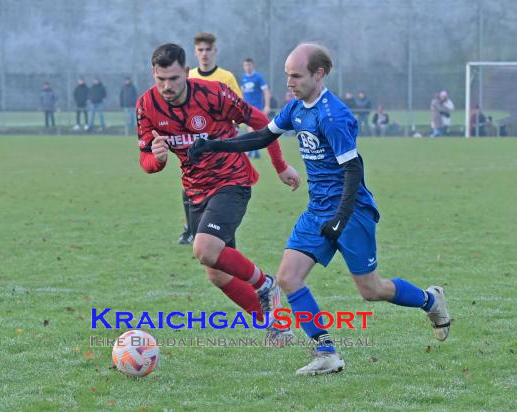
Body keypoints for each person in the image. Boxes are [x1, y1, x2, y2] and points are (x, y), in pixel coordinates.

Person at [189, 42, 451, 375]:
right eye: (286, 75)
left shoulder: (334, 115)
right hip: (317, 210)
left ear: (319, 74)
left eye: (296, 76)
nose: (289, 83)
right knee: (287, 278)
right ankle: (325, 352)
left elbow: (353, 170)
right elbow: (261, 137)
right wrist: (214, 145)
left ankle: (431, 300)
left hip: (351, 211)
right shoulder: (296, 108)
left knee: (371, 290)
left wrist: (341, 218)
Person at [137, 43, 300, 341]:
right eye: (161, 79)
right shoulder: (146, 106)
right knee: (217, 272)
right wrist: (157, 160)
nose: (167, 86)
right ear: (153, 74)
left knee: (204, 248)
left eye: (173, 78)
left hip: (231, 180)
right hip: (195, 190)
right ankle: (276, 324)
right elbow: (146, 161)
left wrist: (280, 166)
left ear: (186, 73)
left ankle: (266, 286)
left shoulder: (213, 94)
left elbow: (262, 123)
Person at [175, 32, 244, 245]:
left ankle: (222, 234)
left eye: (208, 49)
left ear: (215, 51)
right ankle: (191, 228)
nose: (204, 54)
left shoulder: (226, 77)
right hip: (195, 146)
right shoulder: (190, 76)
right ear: (195, 53)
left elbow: (240, 109)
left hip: (221, 147)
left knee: (222, 189)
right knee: (189, 187)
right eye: (200, 50)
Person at [240, 58, 272, 159]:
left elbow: (266, 92)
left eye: (249, 65)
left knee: (252, 129)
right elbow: (242, 94)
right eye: (245, 65)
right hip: (246, 108)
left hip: (256, 108)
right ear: (243, 67)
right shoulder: (243, 78)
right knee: (253, 130)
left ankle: (251, 151)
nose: (247, 67)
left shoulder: (258, 77)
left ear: (252, 66)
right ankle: (255, 151)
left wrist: (267, 106)